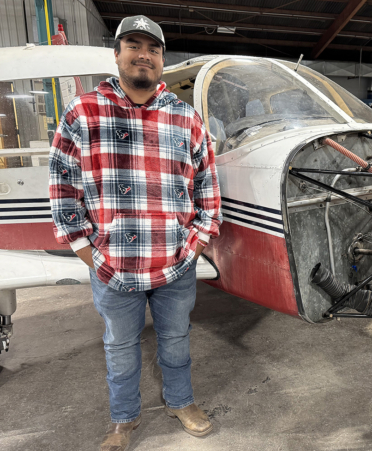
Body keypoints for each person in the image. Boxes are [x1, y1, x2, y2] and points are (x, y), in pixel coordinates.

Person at [49, 15, 222, 451]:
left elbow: (207, 186)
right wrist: (90, 254)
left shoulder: (185, 118)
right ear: (118, 54)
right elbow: (62, 188)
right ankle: (123, 420)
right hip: (112, 267)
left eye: (154, 48)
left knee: (177, 339)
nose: (144, 54)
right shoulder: (82, 111)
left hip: (175, 263)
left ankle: (180, 401)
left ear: (162, 59)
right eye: (134, 44)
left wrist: (195, 245)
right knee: (120, 347)